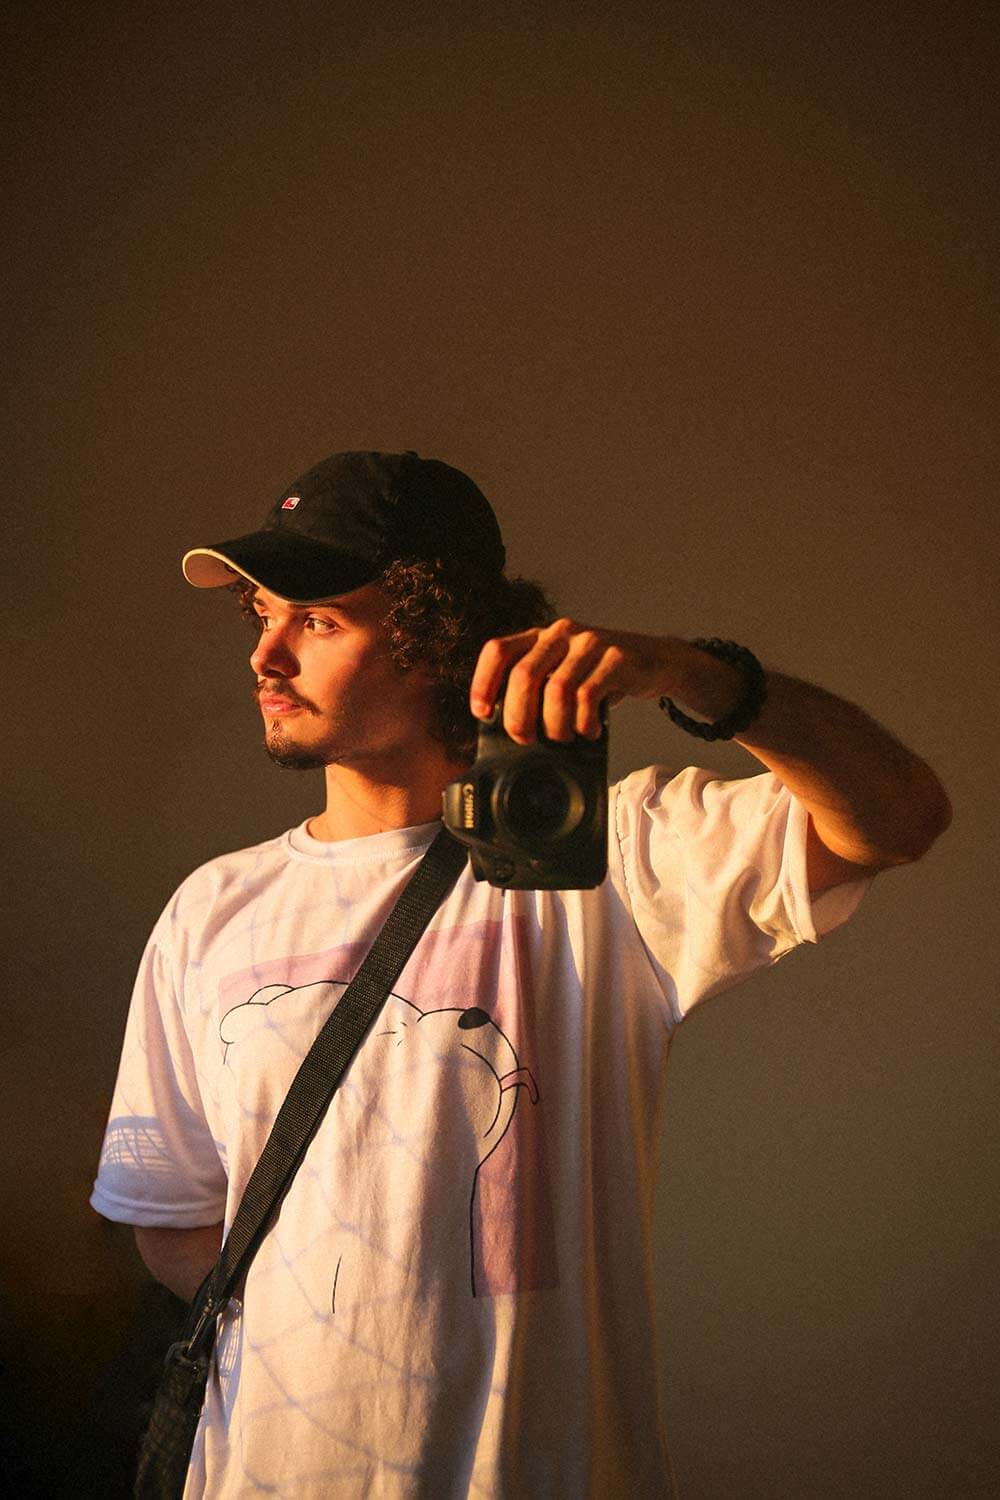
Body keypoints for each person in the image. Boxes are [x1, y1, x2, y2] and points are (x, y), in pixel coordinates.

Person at [91, 450, 950, 1498]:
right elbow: (172, 1217)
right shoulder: (212, 908)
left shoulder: (609, 857)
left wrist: (700, 676)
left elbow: (900, 818)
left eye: (317, 620)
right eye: (262, 615)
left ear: (437, 639)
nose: (266, 655)